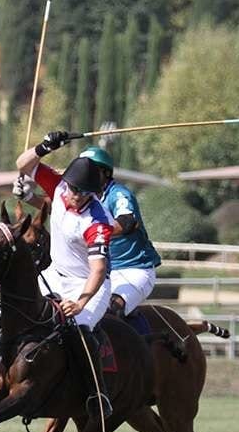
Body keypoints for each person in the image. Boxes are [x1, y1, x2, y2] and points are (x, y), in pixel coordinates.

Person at [15, 131, 114, 417]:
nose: (72, 196)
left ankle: (97, 392)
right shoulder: (60, 187)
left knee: (79, 330)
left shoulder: (97, 222)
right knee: (17, 306)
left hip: (88, 286)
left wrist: (81, 302)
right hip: (54, 274)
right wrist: (45, 146)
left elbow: (98, 269)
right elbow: (23, 164)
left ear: (91, 194)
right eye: (70, 188)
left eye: (80, 193)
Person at [78, 146, 161, 321]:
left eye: (92, 171)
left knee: (111, 310)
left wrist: (96, 233)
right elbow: (53, 207)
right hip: (102, 271)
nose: (86, 175)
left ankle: (136, 347)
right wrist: (29, 195)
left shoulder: (119, 194)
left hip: (135, 269)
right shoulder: (84, 197)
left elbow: (128, 222)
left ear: (105, 173)